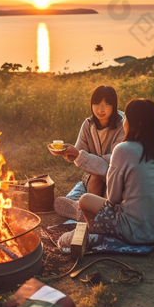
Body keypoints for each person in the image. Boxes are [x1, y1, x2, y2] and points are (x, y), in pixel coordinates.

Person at [77, 98, 154, 244]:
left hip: (134, 232)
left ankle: (94, 235)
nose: (124, 121)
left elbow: (113, 198)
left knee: (85, 199)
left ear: (136, 123)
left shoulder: (123, 149)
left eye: (126, 117)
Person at [50, 85, 125, 220]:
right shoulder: (88, 124)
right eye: (96, 103)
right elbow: (80, 153)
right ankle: (90, 214)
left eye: (107, 104)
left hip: (116, 174)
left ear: (114, 105)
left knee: (109, 183)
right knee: (96, 176)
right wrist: (69, 154)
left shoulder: (123, 126)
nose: (100, 109)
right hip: (94, 177)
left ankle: (84, 212)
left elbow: (116, 159)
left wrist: (81, 156)